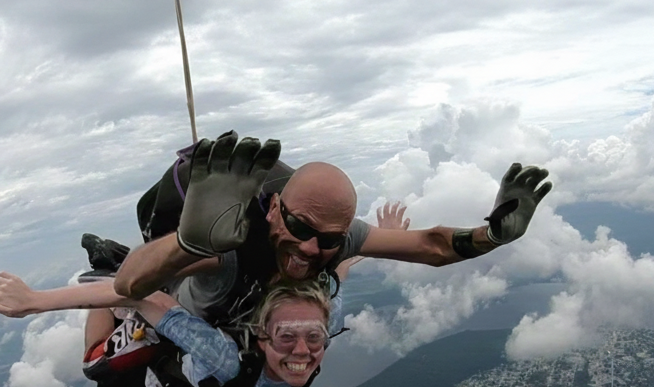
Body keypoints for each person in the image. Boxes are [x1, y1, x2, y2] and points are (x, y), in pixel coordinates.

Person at [114, 131, 552, 327]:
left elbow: (428, 246)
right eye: (300, 227)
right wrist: (190, 244)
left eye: (328, 239)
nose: (309, 247)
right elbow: (130, 283)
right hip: (191, 312)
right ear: (273, 210)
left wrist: (491, 237)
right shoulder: (226, 240)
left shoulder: (336, 238)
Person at [0, 273, 332, 387]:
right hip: (167, 355)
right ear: (261, 335)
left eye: (314, 337)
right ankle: (108, 292)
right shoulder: (222, 360)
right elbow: (145, 297)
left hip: (180, 378)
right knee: (97, 368)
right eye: (286, 336)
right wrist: (35, 301)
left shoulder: (323, 320)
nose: (303, 350)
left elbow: (338, 276)